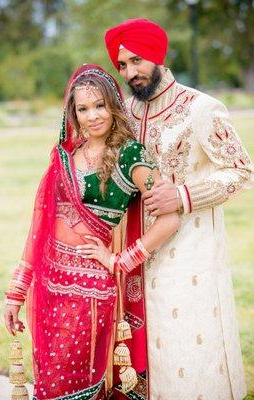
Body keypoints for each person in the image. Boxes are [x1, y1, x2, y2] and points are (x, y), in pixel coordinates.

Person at [4, 64, 180, 400]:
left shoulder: (131, 155)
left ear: (114, 104)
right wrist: (17, 291)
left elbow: (169, 219)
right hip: (49, 283)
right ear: (72, 113)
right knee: (50, 382)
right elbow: (38, 227)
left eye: (100, 105)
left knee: (80, 381)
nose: (93, 116)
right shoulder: (66, 156)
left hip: (91, 289)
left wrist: (120, 260)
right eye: (83, 109)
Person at [104, 18, 253, 400]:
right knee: (143, 360)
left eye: (137, 61)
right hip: (139, 255)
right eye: (122, 65)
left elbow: (241, 170)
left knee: (190, 353)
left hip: (192, 259)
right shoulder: (126, 112)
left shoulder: (201, 108)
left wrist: (183, 195)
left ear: (157, 55)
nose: (130, 72)